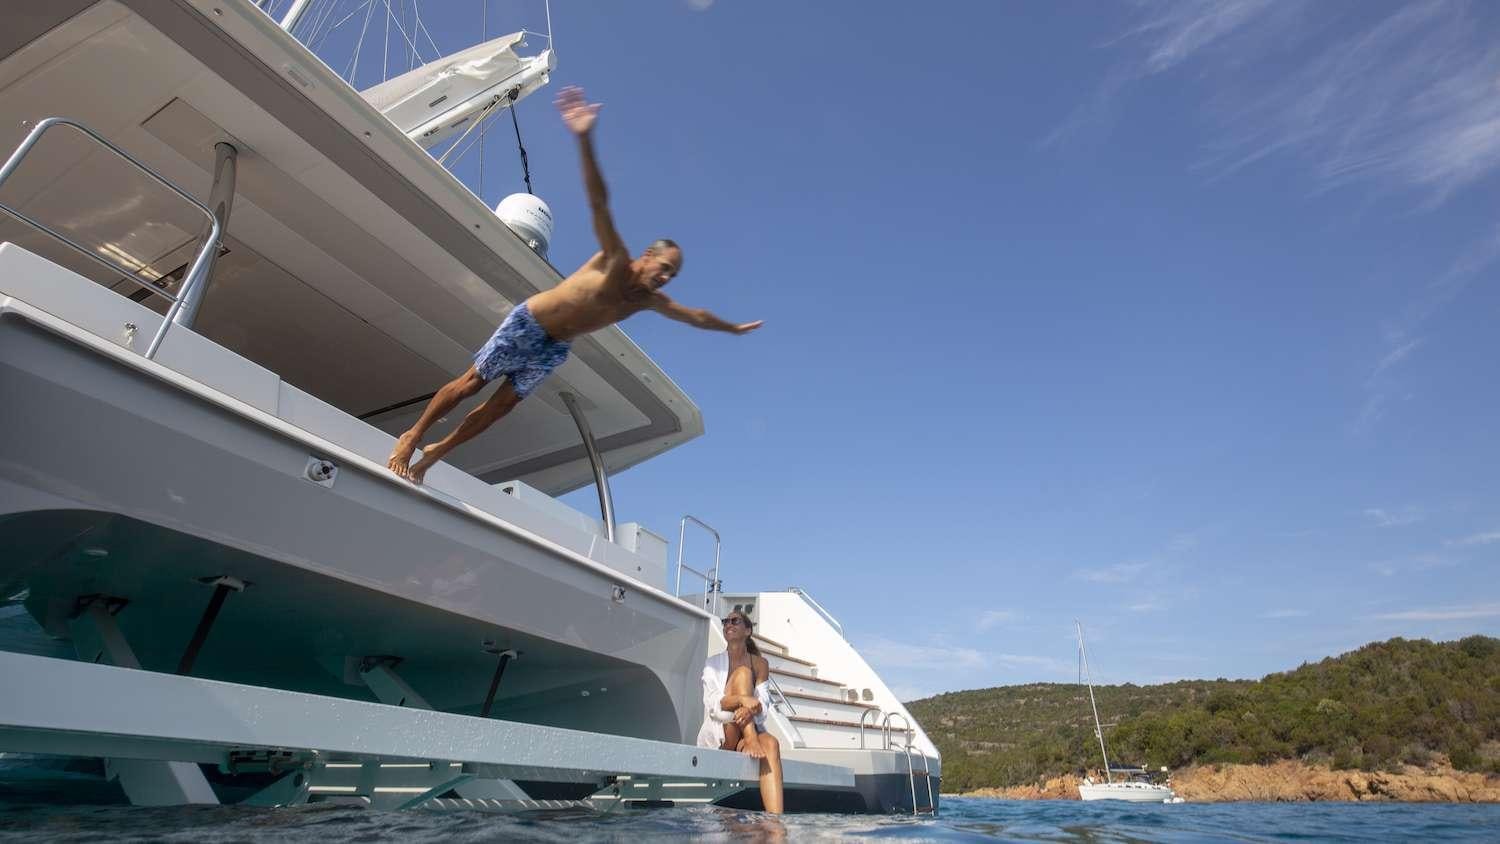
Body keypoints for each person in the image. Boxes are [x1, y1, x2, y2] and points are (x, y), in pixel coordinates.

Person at [388, 85, 763, 483]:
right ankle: (413, 436)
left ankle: (437, 453)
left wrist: (733, 328)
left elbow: (697, 316)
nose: (666, 278)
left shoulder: (647, 301)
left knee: (499, 410)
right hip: (531, 323)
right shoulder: (614, 259)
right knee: (471, 384)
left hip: (554, 349)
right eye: (665, 268)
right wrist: (584, 137)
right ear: (647, 257)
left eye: (673, 275)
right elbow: (599, 202)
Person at [697, 609, 784, 814]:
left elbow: (761, 705)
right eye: (726, 621)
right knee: (743, 674)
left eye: (735, 621)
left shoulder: (761, 664)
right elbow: (714, 704)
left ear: (748, 630)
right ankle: (752, 738)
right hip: (724, 731)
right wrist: (743, 700)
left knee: (772, 743)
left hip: (745, 731)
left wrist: (748, 709)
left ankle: (776, 823)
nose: (729, 624)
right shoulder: (712, 663)